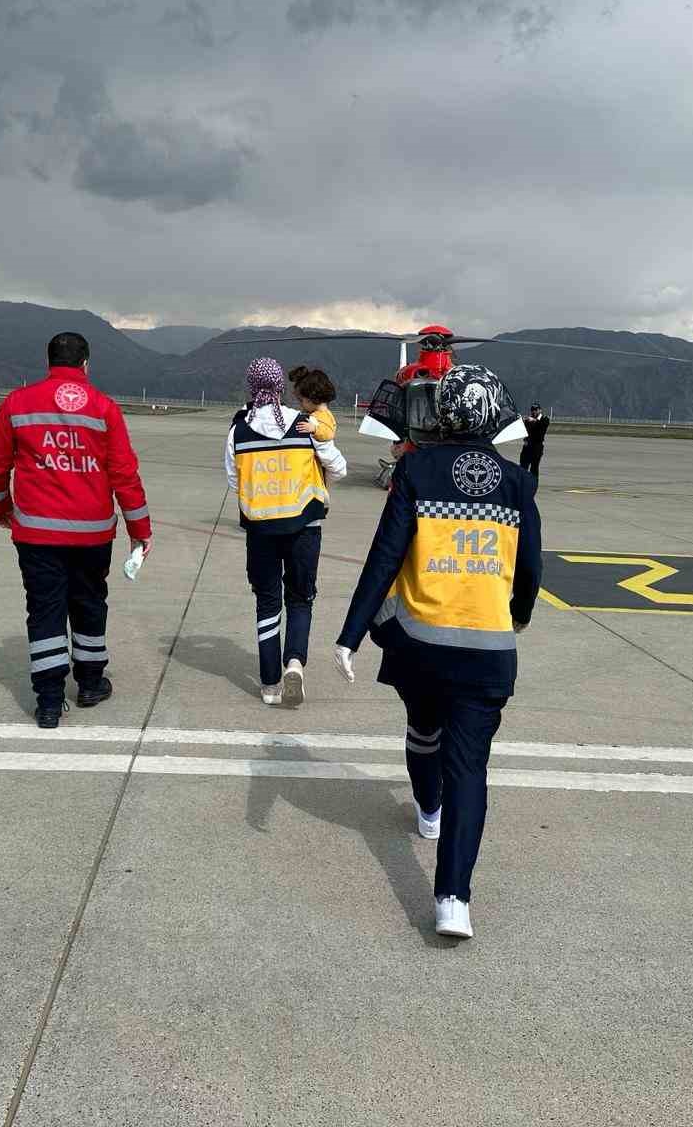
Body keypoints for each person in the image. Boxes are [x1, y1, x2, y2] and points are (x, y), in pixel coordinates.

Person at [332, 365, 542, 940]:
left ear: (442, 413)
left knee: (423, 729)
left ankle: (428, 808)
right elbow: (529, 571)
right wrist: (517, 616)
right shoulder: (519, 485)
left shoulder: (417, 468)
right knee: (470, 768)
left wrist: (350, 633)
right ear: (496, 414)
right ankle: (453, 899)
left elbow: (384, 556)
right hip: (488, 649)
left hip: (421, 644)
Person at [0, 332, 152, 730]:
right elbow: (124, 474)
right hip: (92, 535)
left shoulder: (17, 404)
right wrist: (139, 529)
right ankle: (90, 683)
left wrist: (1, 509)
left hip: (37, 535)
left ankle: (50, 703)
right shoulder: (105, 409)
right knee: (89, 604)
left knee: (45, 611)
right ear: (85, 364)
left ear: (49, 361)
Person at [226, 357, 347, 707]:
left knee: (267, 602)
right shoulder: (306, 425)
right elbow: (337, 467)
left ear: (252, 386)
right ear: (282, 388)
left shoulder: (239, 430)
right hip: (304, 528)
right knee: (300, 598)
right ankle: (294, 663)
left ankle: (268, 685)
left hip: (261, 530)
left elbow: (234, 479)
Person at [288, 366, 338, 444]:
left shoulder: (323, 416)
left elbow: (329, 434)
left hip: (325, 456)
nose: (300, 404)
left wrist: (315, 429)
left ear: (312, 399)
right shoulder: (317, 413)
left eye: (301, 400)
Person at [518, 404, 550, 477]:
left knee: (534, 467)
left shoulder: (544, 419)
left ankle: (533, 484)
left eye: (536, 410)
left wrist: (533, 420)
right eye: (532, 410)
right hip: (527, 446)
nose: (534, 411)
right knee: (523, 466)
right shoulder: (528, 420)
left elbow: (542, 425)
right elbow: (525, 430)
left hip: (537, 446)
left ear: (540, 410)